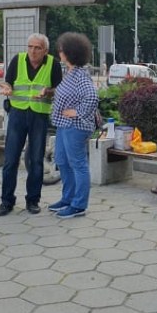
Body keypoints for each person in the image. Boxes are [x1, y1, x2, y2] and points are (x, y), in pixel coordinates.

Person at [0, 34, 63, 216]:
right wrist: (7, 88)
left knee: (36, 160)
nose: (32, 51)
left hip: (39, 116)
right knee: (10, 160)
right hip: (17, 114)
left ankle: (33, 200)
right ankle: (6, 201)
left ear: (45, 51)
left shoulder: (53, 64)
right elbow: (9, 81)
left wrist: (48, 92)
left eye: (37, 48)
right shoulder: (18, 60)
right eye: (30, 47)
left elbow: (59, 89)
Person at [47, 32, 98, 218]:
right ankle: (68, 198)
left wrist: (77, 112)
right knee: (61, 160)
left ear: (68, 52)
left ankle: (78, 205)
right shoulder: (70, 72)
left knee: (78, 164)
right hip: (63, 125)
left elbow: (92, 96)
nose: (59, 52)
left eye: (61, 49)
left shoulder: (79, 74)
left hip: (75, 126)